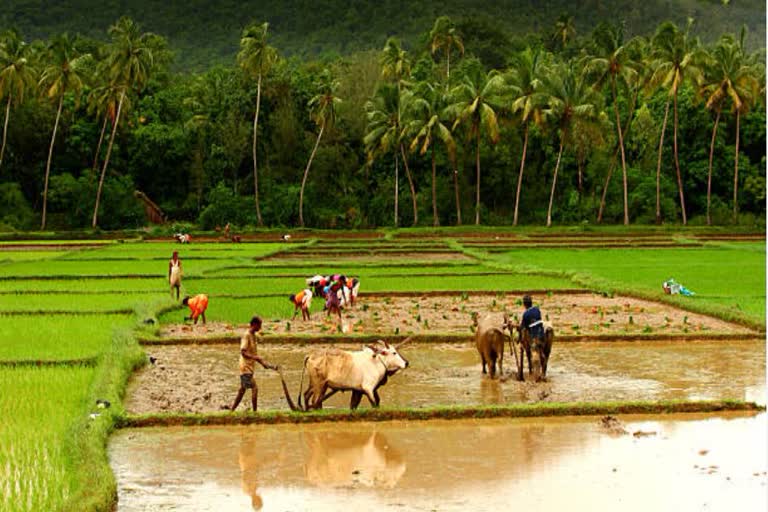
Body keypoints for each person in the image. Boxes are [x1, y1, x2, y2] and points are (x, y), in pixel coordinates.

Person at [229, 316, 277, 412]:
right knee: (254, 388)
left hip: (249, 367)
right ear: (254, 324)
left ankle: (232, 410)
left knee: (242, 390)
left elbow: (254, 355)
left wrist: (266, 364)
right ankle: (255, 412)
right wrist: (256, 358)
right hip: (245, 367)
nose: (260, 327)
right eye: (259, 325)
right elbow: (243, 352)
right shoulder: (246, 335)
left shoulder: (253, 336)